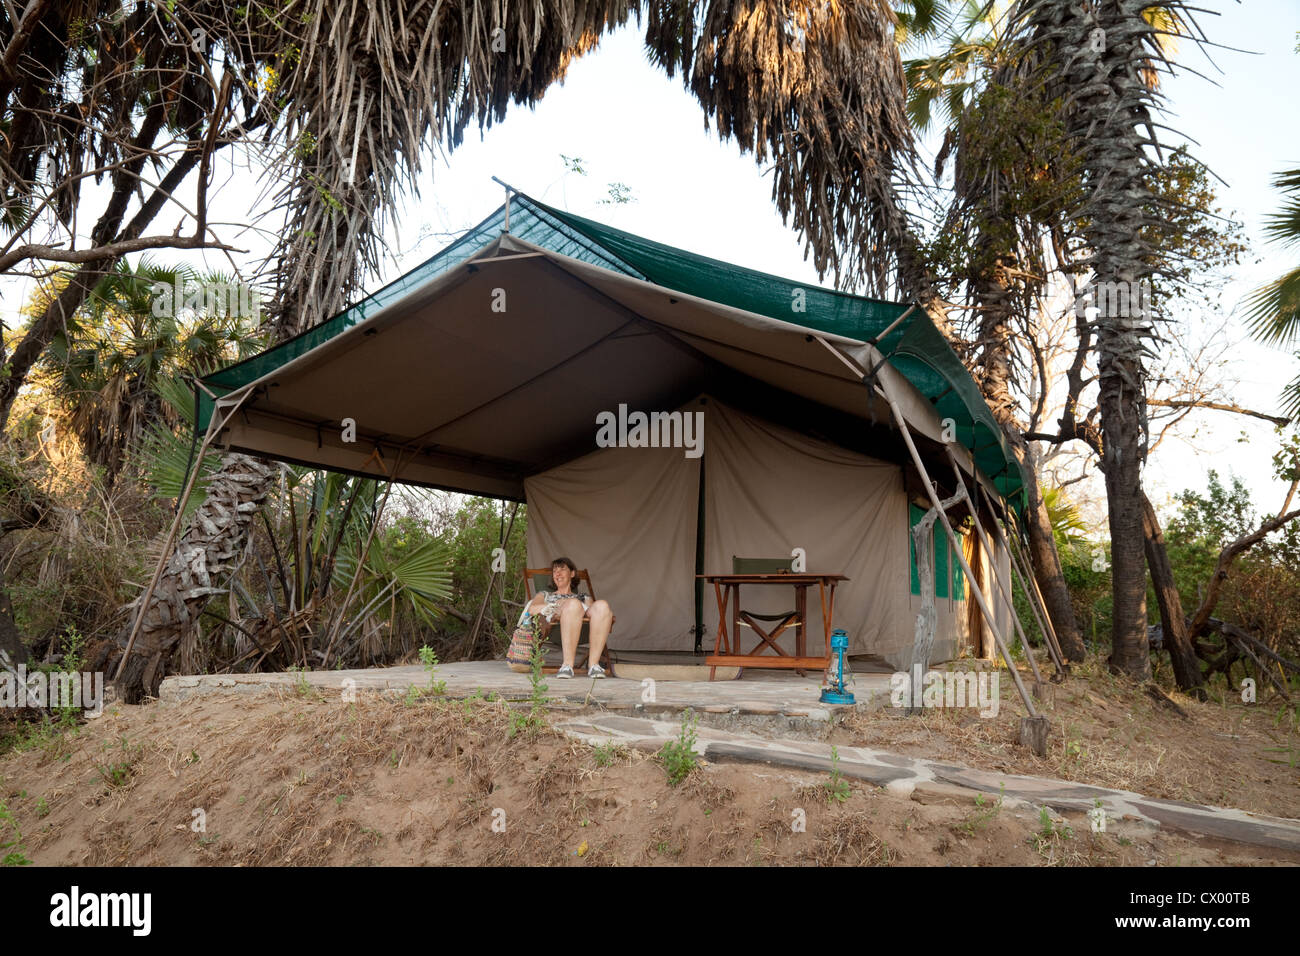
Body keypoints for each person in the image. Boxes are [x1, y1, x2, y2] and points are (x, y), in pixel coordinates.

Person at [519, 557, 614, 678]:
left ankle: (594, 665)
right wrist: (556, 605)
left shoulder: (584, 597)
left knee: (602, 605)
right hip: (554, 629)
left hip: (583, 629)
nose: (557, 573)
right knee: (573, 604)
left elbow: (595, 614)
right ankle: (567, 665)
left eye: (562, 569)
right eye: (554, 571)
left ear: (572, 573)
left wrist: (576, 604)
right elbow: (532, 609)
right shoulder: (545, 595)